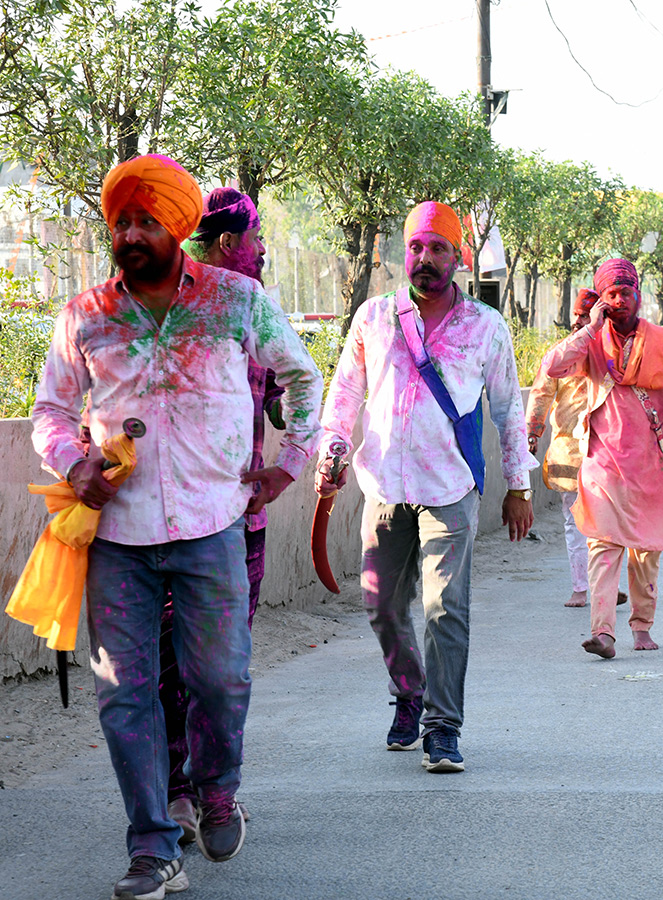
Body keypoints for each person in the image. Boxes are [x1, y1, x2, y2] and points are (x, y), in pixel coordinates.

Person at [31, 154, 323, 899]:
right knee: (121, 693)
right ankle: (153, 846)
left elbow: (301, 375)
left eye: (145, 220)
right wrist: (74, 464)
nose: (130, 232)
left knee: (218, 681)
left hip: (211, 527)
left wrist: (289, 461)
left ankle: (218, 787)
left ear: (178, 225)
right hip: (118, 541)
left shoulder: (236, 301)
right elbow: (52, 413)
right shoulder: (84, 317)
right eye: (121, 221)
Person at [318, 201, 537, 773]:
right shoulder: (373, 317)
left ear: (457, 256)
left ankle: (443, 727)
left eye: (438, 247)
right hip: (386, 484)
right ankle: (409, 691)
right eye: (416, 247)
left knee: (445, 609)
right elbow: (345, 392)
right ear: (404, 253)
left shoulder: (486, 326)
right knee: (382, 606)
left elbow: (510, 410)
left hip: (451, 487)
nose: (425, 258)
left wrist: (519, 485)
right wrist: (333, 447)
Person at [133, 186, 282, 844]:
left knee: (171, 664)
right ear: (230, 244)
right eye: (257, 242)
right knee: (219, 669)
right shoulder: (240, 308)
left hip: (165, 522)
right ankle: (199, 793)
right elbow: (284, 406)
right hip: (223, 525)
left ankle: (180, 794)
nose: (263, 253)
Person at [543, 258, 663, 658]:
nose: (619, 301)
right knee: (602, 545)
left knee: (646, 553)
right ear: (602, 299)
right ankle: (603, 633)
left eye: (625, 293)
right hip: (602, 463)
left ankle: (642, 626)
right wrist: (590, 327)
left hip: (651, 463)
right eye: (610, 295)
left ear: (639, 296)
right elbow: (552, 366)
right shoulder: (591, 342)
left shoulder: (662, 341)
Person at [527, 289, 599, 608]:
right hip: (568, 452)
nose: (580, 321)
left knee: (605, 524)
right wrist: (533, 430)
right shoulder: (560, 354)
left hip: (607, 452)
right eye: (577, 315)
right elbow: (542, 393)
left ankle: (603, 584)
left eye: (587, 315)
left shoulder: (611, 354)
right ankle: (581, 588)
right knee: (574, 522)